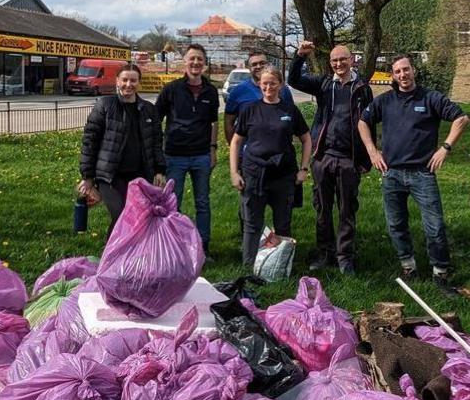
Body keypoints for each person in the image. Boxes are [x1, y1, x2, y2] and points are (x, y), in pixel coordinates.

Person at [358, 54, 469, 290]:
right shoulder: (385, 101)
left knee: (435, 226)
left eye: (406, 70)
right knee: (396, 225)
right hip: (392, 173)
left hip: (422, 173)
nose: (402, 75)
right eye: (397, 72)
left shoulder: (430, 98)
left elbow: (461, 118)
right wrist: (372, 152)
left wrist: (445, 148)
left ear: (413, 70)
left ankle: (440, 272)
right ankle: (408, 266)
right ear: (393, 75)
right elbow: (362, 121)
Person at [287, 40, 375, 274]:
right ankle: (324, 253)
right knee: (322, 208)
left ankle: (345, 256)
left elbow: (370, 123)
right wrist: (300, 57)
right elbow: (294, 80)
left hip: (349, 159)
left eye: (343, 59)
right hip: (323, 157)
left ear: (352, 59)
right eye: (335, 60)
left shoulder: (363, 89)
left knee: (347, 209)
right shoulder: (324, 84)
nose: (339, 64)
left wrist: (367, 158)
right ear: (330, 63)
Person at [230, 66, 312, 268]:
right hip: (254, 174)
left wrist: (304, 168)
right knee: (252, 223)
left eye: (273, 83)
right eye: (265, 83)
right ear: (259, 84)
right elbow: (236, 142)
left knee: (283, 223)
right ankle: (249, 266)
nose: (269, 87)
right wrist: (234, 172)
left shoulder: (289, 110)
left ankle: (279, 266)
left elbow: (307, 139)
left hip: (283, 175)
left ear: (280, 85)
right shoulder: (250, 109)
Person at [77, 63, 167, 234]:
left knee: (139, 218)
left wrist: (159, 170)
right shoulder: (105, 105)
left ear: (139, 83)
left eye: (133, 80)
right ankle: (112, 257)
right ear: (117, 81)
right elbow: (90, 142)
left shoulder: (149, 109)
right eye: (124, 80)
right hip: (110, 176)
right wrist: (87, 177)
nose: (128, 84)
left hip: (140, 176)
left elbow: (156, 142)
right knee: (121, 215)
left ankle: (130, 257)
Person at [156, 44, 220, 254]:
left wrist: (213, 149)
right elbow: (156, 119)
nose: (195, 63)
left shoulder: (210, 91)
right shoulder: (172, 89)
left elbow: (213, 122)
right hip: (175, 155)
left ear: (204, 63)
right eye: (192, 59)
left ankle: (203, 247)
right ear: (185, 62)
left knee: (203, 202)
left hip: (201, 155)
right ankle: (175, 247)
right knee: (174, 203)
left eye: (200, 59)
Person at [224, 50, 295, 141]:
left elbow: (292, 118)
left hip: (278, 150)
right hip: (247, 151)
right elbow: (229, 121)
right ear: (249, 68)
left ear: (268, 64)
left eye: (262, 63)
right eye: (254, 64)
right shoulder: (238, 92)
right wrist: (233, 147)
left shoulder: (283, 90)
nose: (258, 66)